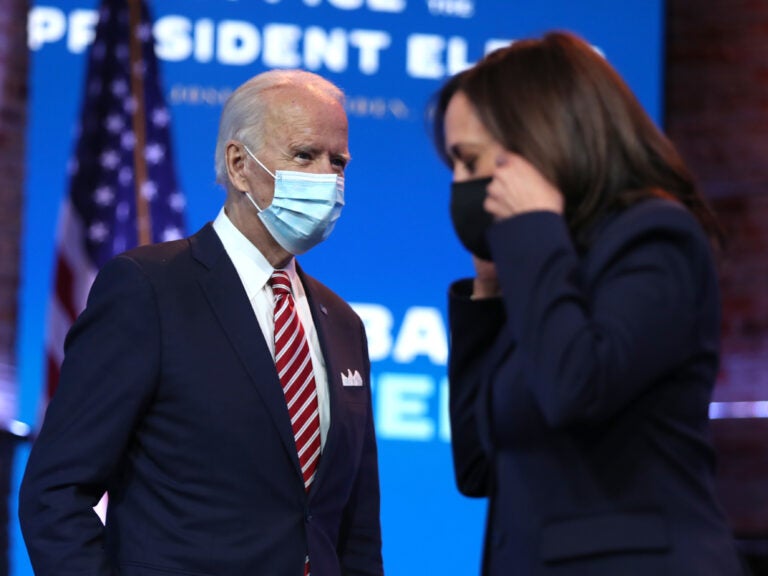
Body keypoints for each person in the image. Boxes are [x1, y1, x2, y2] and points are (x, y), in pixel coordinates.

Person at [19, 69, 384, 576]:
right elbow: (55, 492)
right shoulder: (149, 289)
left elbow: (356, 529)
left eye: (337, 161)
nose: (327, 177)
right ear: (239, 164)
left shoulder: (343, 323)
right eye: (304, 155)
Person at [433, 32, 745, 575]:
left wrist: (531, 234)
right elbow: (479, 467)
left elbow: (575, 388)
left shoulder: (654, 238)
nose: (460, 183)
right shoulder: (548, 266)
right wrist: (489, 292)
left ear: (537, 139)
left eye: (469, 160)